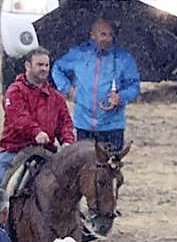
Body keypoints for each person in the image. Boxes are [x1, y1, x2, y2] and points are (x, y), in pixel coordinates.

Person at [0, 48, 76, 187]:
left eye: (47, 65)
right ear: (28, 66)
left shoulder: (57, 98)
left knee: (70, 187)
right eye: (40, 65)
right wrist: (35, 132)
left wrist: (67, 141)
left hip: (46, 152)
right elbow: (18, 117)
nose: (44, 69)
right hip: (15, 149)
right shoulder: (15, 91)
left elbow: (65, 123)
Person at [51, 17, 140, 149]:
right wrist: (68, 89)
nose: (107, 39)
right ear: (92, 35)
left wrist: (120, 97)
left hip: (112, 125)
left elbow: (134, 85)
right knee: (84, 166)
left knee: (110, 166)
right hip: (83, 124)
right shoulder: (79, 54)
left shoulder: (123, 58)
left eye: (110, 35)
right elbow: (57, 69)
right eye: (103, 34)